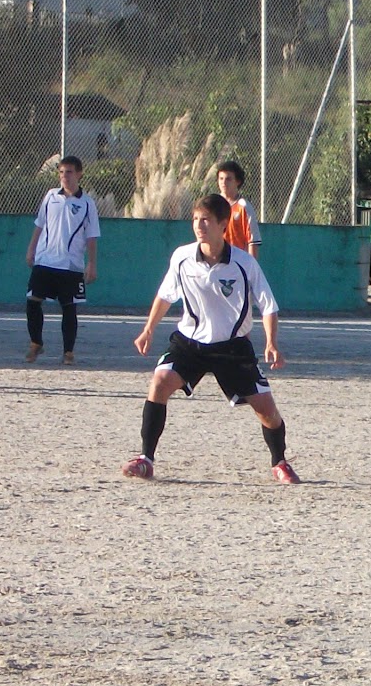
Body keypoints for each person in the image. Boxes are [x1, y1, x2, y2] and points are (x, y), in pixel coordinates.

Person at [120, 193, 299, 485]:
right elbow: (165, 296)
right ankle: (146, 459)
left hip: (232, 347)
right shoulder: (182, 257)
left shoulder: (244, 263)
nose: (198, 225)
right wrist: (148, 329)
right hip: (189, 343)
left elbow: (268, 305)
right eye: (195, 219)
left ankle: (279, 462)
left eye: (205, 220)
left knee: (266, 410)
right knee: (160, 382)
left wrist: (271, 342)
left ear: (222, 224)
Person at [24, 155, 99, 364]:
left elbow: (92, 236)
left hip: (70, 264)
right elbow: (40, 224)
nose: (64, 176)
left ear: (79, 174)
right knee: (32, 302)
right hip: (45, 260)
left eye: (69, 172)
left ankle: (68, 352)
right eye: (61, 172)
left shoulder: (87, 203)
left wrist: (92, 263)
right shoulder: (50, 196)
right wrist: (31, 250)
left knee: (69, 307)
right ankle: (36, 343)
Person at [215, 159, 262, 259]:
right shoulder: (213, 205)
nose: (224, 182)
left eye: (228, 179)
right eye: (221, 178)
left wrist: (250, 266)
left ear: (238, 181)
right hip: (216, 261)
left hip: (237, 261)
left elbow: (252, 241)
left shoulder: (244, 206)